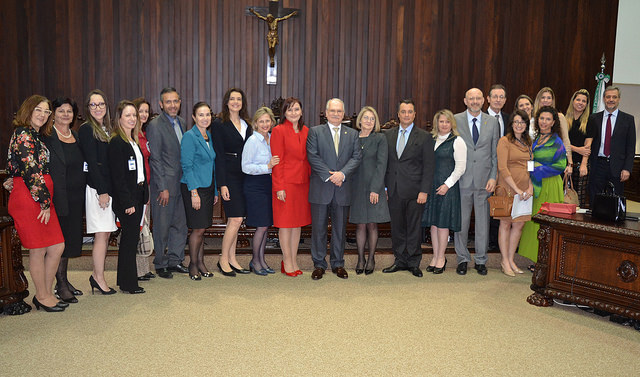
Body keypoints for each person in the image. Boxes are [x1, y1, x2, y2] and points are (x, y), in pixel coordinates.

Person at [7, 95, 66, 312]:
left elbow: (15, 165)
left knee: (57, 245)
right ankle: (42, 296)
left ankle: (46, 292)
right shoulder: (23, 134)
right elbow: (30, 171)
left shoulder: (35, 135)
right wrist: (43, 202)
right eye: (38, 110)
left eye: (46, 111)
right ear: (28, 110)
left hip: (40, 196)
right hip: (32, 198)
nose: (43, 115)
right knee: (38, 249)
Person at [307, 98, 361, 280]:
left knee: (340, 229)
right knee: (319, 229)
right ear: (326, 112)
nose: (336, 114)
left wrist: (342, 174)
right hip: (321, 187)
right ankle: (319, 264)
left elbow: (356, 157)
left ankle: (338, 264)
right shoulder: (315, 132)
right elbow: (312, 156)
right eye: (333, 111)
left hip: (342, 188)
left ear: (343, 113)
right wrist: (331, 176)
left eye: (339, 111)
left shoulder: (352, 134)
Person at [382, 99, 434, 278]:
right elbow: (385, 163)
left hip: (415, 191)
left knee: (413, 228)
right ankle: (399, 260)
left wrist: (424, 191)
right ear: (398, 114)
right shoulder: (387, 135)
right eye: (403, 111)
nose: (406, 115)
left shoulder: (424, 137)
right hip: (394, 189)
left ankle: (413, 262)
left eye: (410, 112)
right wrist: (385, 188)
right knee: (397, 227)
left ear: (414, 114)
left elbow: (428, 167)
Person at [44, 98, 86, 303]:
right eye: (61, 111)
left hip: (76, 197)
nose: (66, 114)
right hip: (58, 196)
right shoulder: (47, 137)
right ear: (53, 114)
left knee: (69, 239)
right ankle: (59, 283)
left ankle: (65, 279)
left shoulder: (76, 136)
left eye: (69, 111)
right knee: (58, 242)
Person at [453, 88, 500, 276]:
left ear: (484, 100)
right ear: (465, 100)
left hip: (484, 180)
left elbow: (495, 153)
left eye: (478, 98)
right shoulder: (456, 119)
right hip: (462, 179)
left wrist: (493, 177)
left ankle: (481, 260)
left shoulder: (492, 122)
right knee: (461, 223)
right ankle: (462, 259)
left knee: (482, 223)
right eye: (471, 98)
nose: (474, 101)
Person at [146, 87, 189, 279]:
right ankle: (160, 263)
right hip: (164, 186)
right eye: (168, 102)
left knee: (180, 225)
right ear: (161, 105)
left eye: (175, 101)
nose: (173, 105)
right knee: (162, 225)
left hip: (181, 183)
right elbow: (155, 158)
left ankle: (175, 260)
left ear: (180, 103)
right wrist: (162, 187)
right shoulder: (155, 125)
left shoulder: (182, 122)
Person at [78, 89, 117, 295]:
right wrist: (102, 191)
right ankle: (98, 278)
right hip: (97, 189)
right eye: (93, 105)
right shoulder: (87, 129)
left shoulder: (107, 129)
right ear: (87, 108)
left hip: (108, 189)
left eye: (101, 104)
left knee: (106, 233)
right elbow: (92, 163)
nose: (98, 108)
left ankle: (97, 275)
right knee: (101, 234)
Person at [108, 100, 149, 294]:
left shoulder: (133, 139)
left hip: (138, 195)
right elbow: (118, 177)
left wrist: (144, 195)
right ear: (119, 118)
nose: (133, 118)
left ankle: (125, 280)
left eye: (135, 115)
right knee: (129, 241)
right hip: (128, 199)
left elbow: (139, 171)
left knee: (131, 240)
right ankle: (128, 283)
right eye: (128, 115)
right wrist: (127, 202)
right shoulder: (117, 142)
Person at [518, 106, 567, 268]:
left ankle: (547, 261)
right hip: (536, 184)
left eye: (548, 119)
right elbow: (530, 161)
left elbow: (560, 165)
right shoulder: (536, 139)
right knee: (535, 222)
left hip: (551, 184)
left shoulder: (557, 141)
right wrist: (532, 170)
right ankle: (537, 259)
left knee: (547, 223)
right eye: (541, 118)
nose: (544, 122)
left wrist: (536, 168)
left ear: (553, 122)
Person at [212, 88, 253, 276]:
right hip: (230, 177)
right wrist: (222, 183)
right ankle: (222, 259)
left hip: (246, 176)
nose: (236, 102)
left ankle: (232, 258)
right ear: (226, 102)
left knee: (237, 220)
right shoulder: (219, 124)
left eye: (239, 99)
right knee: (235, 218)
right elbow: (219, 155)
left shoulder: (247, 124)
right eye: (232, 99)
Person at [271, 97, 312, 277]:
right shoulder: (278, 131)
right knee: (286, 225)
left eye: (296, 109)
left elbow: (310, 158)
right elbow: (277, 161)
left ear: (301, 112)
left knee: (297, 225)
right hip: (285, 184)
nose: (293, 113)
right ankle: (286, 261)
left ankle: (294, 260)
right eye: (290, 110)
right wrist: (279, 187)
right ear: (284, 113)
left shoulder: (307, 131)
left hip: (303, 183)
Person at [422, 109, 466, 274]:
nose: (444, 124)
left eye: (447, 121)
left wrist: (447, 184)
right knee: (433, 224)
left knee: (442, 224)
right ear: (436, 123)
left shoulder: (457, 141)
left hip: (447, 188)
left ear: (452, 124)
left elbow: (461, 167)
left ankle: (441, 257)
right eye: (441, 121)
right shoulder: (431, 139)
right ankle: (435, 256)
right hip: (432, 187)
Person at [349, 106, 390, 275]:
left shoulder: (380, 138)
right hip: (356, 187)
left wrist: (376, 189)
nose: (369, 121)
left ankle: (371, 258)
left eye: (372, 119)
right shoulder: (353, 138)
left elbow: (382, 165)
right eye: (366, 118)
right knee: (360, 224)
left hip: (375, 187)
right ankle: (360, 258)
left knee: (372, 224)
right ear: (360, 120)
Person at [180, 102, 218, 280]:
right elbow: (187, 166)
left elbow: (212, 165)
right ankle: (193, 265)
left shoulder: (208, 136)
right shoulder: (190, 136)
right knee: (197, 229)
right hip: (194, 188)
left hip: (208, 187)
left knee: (202, 229)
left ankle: (201, 263)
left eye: (208, 115)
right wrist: (194, 192)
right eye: (201, 115)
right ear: (194, 117)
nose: (205, 118)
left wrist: (215, 190)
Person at [242, 107, 280, 276]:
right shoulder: (252, 141)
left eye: (268, 121)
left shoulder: (272, 138)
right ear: (255, 123)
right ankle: (255, 261)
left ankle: (262, 260)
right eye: (261, 121)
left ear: (272, 123)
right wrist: (267, 166)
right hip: (255, 185)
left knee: (266, 226)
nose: (265, 124)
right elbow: (245, 167)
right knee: (261, 226)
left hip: (268, 184)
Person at [495, 110, 533, 276]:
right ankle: (504, 261)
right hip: (508, 188)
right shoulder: (504, 141)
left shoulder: (528, 142)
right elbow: (502, 168)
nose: (519, 125)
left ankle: (511, 259)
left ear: (526, 125)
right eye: (516, 122)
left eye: (522, 122)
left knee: (519, 224)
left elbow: (530, 166)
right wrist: (517, 189)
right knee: (506, 223)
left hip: (525, 190)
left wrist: (530, 187)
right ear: (511, 124)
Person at [588, 86, 636, 206]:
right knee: (595, 199)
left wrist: (627, 168)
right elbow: (589, 142)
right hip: (598, 165)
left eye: (614, 97)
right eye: (608, 96)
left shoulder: (628, 119)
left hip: (618, 168)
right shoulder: (594, 118)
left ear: (619, 99)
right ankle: (594, 224)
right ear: (604, 98)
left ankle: (613, 225)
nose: (611, 99)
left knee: (615, 202)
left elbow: (630, 147)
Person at [131, 97, 155, 281]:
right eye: (140, 111)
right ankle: (135, 270)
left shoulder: (145, 134)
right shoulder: (130, 135)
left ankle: (143, 268)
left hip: (146, 186)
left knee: (144, 227)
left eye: (146, 111)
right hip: (135, 188)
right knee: (136, 228)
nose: (144, 114)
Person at [486, 84, 509, 252]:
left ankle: (495, 241)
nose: (498, 100)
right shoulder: (480, 117)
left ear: (505, 100)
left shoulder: (509, 119)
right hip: (485, 168)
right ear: (488, 99)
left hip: (505, 169)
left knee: (500, 202)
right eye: (495, 96)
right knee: (485, 204)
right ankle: (485, 239)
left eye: (501, 97)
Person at [533, 87, 573, 173]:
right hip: (535, 164)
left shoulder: (560, 117)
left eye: (549, 98)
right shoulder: (533, 117)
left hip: (554, 163)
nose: (545, 100)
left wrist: (570, 163)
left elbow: (566, 140)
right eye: (543, 97)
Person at [565, 89, 593, 208]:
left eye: (584, 101)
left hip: (580, 164)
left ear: (587, 104)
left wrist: (583, 165)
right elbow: (561, 142)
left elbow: (587, 147)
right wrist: (577, 149)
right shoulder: (564, 119)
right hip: (564, 162)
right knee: (563, 196)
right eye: (578, 100)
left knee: (578, 199)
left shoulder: (590, 121)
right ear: (573, 101)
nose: (580, 103)